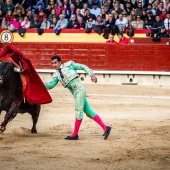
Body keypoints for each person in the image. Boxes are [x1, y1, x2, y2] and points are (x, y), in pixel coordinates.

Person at [44, 55, 111, 140]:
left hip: (80, 90)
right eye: (52, 63)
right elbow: (50, 85)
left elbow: (83, 67)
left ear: (60, 62)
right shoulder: (56, 74)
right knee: (88, 112)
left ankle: (75, 134)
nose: (54, 65)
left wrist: (92, 74)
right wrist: (40, 84)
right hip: (75, 93)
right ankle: (106, 128)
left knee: (78, 111)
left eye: (55, 63)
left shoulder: (69, 65)